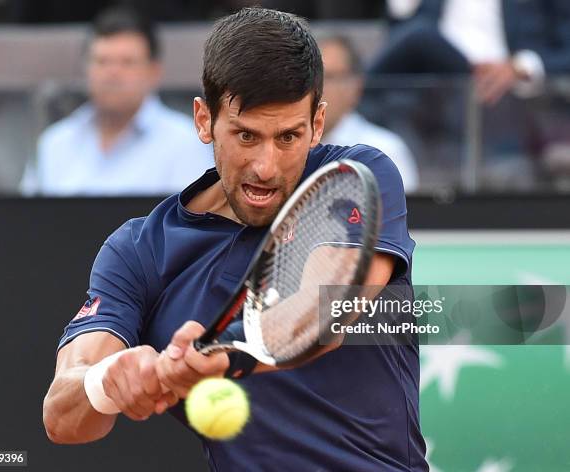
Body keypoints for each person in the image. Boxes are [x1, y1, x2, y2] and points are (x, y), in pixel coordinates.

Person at [42, 7, 427, 471]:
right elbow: (61, 415)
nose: (266, 165)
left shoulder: (359, 176)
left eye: (288, 137)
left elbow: (324, 311)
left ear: (318, 123)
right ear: (204, 120)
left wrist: (220, 359)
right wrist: (107, 381)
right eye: (246, 135)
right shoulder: (139, 252)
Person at [21, 7, 212, 196]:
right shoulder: (55, 143)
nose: (113, 73)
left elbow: (194, 222)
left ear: (154, 71)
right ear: (85, 68)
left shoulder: (184, 143)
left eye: (127, 62)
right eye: (102, 61)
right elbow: (25, 219)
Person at [371, 0, 570, 105]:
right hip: (437, 83)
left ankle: (356, 90)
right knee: (419, 37)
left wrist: (523, 65)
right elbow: (398, 32)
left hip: (509, 92)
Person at [319, 34, 419, 193]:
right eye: (311, 76)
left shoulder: (385, 151)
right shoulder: (287, 148)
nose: (316, 88)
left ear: (355, 86)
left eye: (328, 77)